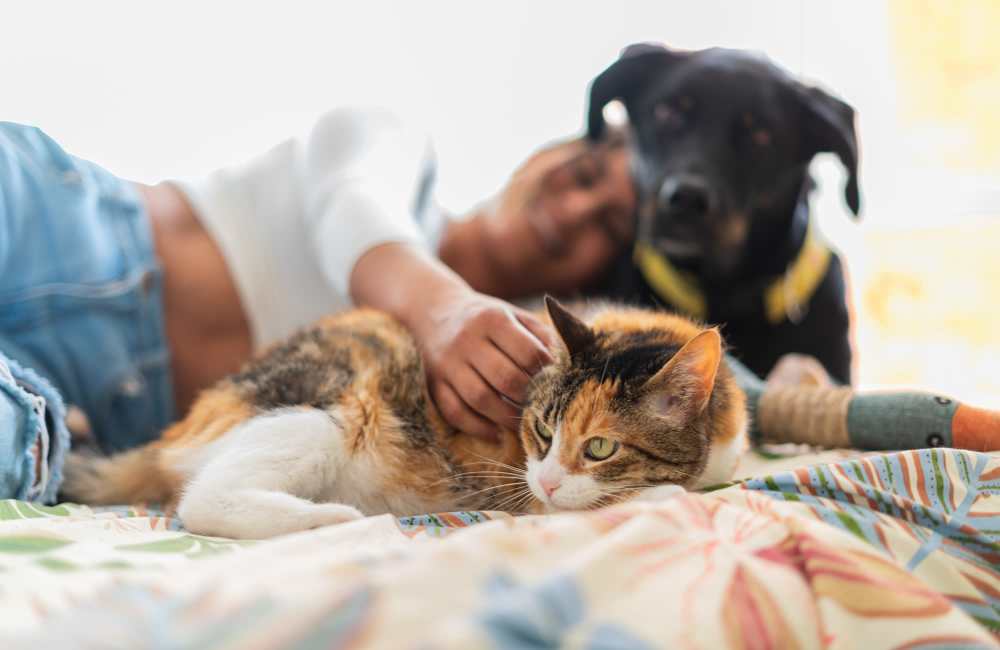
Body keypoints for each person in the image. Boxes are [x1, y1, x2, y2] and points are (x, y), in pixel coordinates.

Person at [0, 108, 635, 502]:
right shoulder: (399, 156)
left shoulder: (528, 386)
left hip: (49, 392)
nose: (575, 210)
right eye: (583, 174)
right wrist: (445, 311)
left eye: (607, 226)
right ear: (542, 153)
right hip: (49, 219)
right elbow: (352, 204)